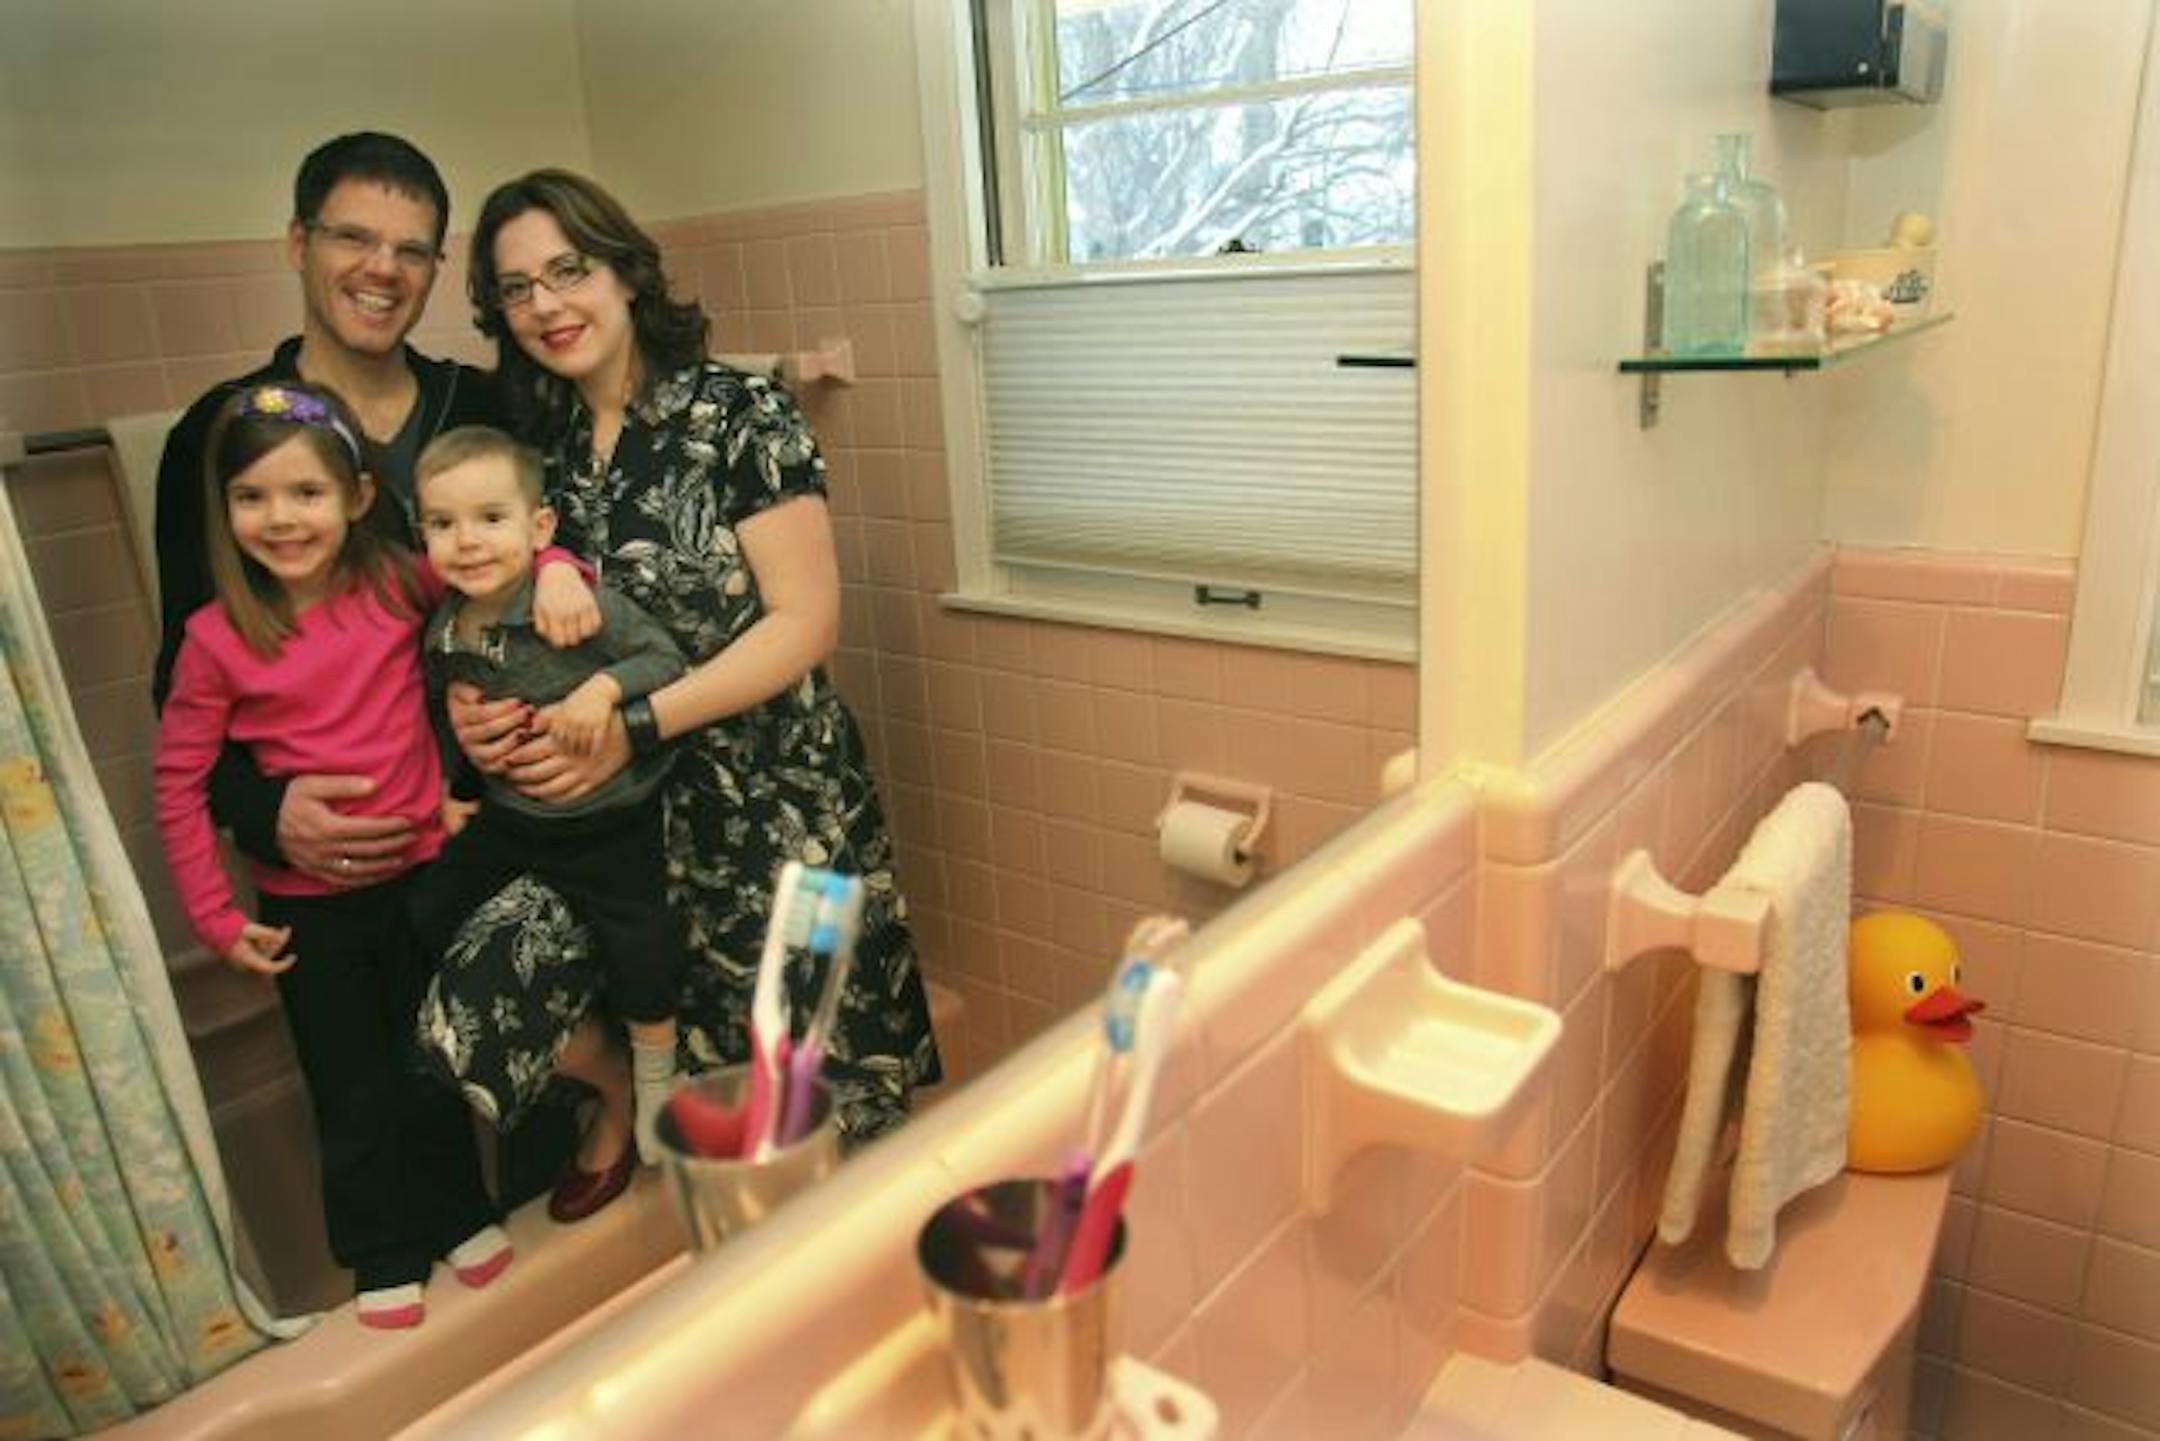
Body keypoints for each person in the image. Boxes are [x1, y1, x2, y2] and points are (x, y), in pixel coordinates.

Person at [424, 168, 940, 1203]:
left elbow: (805, 623)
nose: (547, 306)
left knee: (824, 1116)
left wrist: (642, 718)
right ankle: (623, 1102)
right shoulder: (545, 461)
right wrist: (473, 717)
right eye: (517, 289)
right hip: (618, 829)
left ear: (624, 270)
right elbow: (511, 619)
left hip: (776, 813)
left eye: (568, 271)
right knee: (489, 1010)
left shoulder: (740, 412)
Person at [148, 131, 578, 1206]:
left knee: (538, 1086)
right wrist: (264, 811)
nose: (381, 269)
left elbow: (560, 585)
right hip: (334, 864)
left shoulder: (487, 408)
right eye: (352, 236)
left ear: (438, 270)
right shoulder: (230, 436)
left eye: (412, 250)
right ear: (298, 242)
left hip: (512, 821)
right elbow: (183, 682)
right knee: (372, 1086)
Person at [151, 383, 535, 1328]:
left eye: (306, 494)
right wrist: (214, 914)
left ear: (358, 498)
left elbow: (495, 570)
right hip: (308, 909)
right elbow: (179, 783)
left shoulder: (402, 582)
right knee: (351, 1088)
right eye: (253, 497)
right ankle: (382, 1251)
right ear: (225, 509)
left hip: (421, 881)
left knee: (430, 1061)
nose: (281, 518)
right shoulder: (215, 639)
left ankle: (459, 1212)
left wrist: (557, 564)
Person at [404, 426, 690, 1188]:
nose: (465, 541)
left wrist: (599, 691)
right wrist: (445, 787)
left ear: (538, 528)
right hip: (511, 820)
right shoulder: (446, 625)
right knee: (429, 911)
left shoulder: (571, 599)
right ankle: (580, 1041)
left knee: (641, 944)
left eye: (489, 518)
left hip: (606, 820)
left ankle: (656, 1069)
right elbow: (441, 713)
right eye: (442, 523)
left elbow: (664, 658)